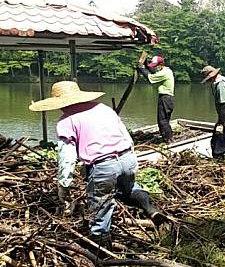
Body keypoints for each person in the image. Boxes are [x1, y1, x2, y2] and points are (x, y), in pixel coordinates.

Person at [28, 81, 166, 248]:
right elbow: (126, 136)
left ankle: (102, 258)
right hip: (127, 157)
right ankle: (151, 209)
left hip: (104, 166)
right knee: (127, 189)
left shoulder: (66, 121)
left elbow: (67, 157)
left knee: (99, 209)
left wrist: (63, 185)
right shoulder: (104, 109)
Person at [137, 55, 175, 143]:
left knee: (162, 121)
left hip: (165, 98)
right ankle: (168, 137)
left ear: (161, 64)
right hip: (168, 99)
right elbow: (154, 72)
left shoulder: (164, 73)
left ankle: (168, 139)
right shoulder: (166, 70)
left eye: (156, 65)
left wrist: (141, 69)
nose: (155, 67)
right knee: (165, 120)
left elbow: (151, 78)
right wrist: (146, 64)